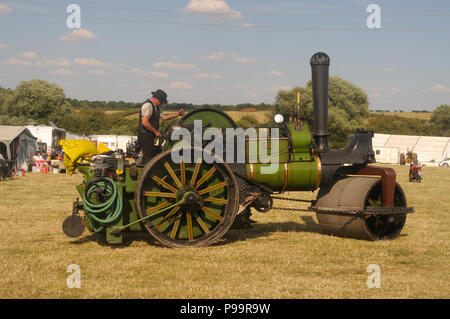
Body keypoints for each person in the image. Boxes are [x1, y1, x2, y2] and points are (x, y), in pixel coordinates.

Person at [138, 89, 184, 165]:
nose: (161, 104)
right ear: (157, 99)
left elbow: (164, 117)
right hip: (144, 135)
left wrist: (178, 114)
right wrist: (156, 132)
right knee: (148, 158)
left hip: (149, 136)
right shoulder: (148, 105)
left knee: (151, 156)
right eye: (161, 102)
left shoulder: (156, 107)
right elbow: (145, 122)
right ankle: (146, 175)